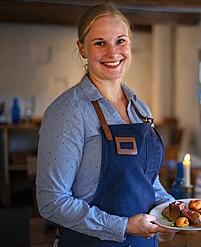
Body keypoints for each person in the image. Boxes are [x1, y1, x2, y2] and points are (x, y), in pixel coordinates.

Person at [36, 3, 176, 246]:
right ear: (82, 49)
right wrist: (122, 226)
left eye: (120, 41)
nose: (113, 52)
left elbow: (148, 181)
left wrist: (171, 211)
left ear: (130, 42)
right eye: (100, 43)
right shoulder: (68, 111)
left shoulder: (140, 109)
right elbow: (51, 202)